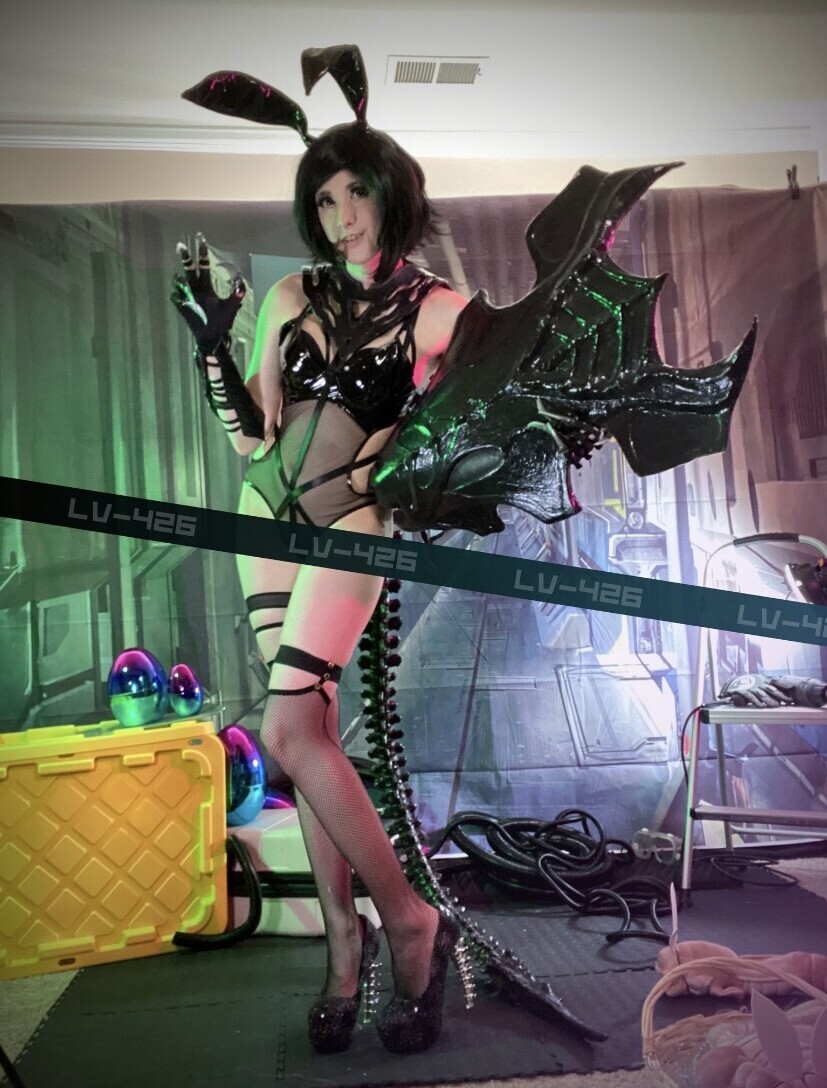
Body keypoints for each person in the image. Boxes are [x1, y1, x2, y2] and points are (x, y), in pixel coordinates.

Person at [172, 120, 468, 1056]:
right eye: (324, 199)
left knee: (288, 731)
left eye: (356, 193)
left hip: (351, 522)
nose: (340, 215)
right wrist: (212, 345)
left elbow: (459, 434)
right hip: (263, 516)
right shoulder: (291, 294)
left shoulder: (441, 312)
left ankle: (408, 920)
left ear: (392, 192)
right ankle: (345, 946)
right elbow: (252, 436)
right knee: (311, 736)